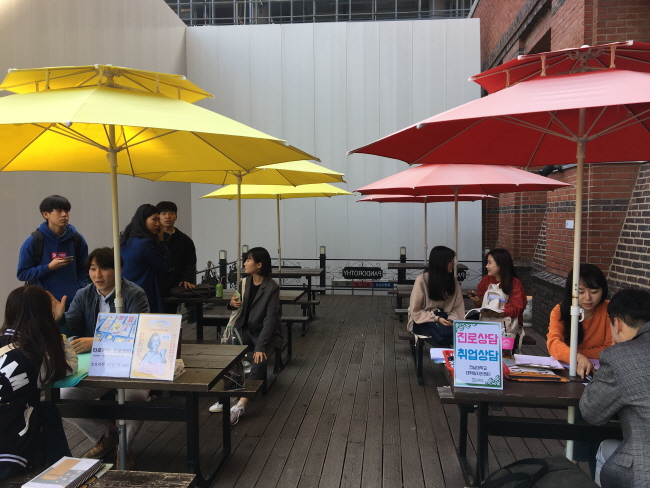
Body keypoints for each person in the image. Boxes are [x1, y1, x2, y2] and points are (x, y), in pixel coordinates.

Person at [54, 247, 150, 470]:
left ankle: (124, 448)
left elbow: (139, 334)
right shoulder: (84, 294)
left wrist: (96, 341)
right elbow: (71, 330)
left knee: (136, 398)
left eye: (104, 268)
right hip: (95, 366)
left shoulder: (134, 294)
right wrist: (60, 320)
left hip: (130, 366)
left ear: (119, 270)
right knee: (63, 398)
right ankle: (108, 434)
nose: (97, 275)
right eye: (92, 269)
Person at [0, 285, 77, 480]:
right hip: (8, 452)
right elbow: (71, 365)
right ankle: (65, 474)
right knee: (46, 411)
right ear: (45, 315)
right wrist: (57, 326)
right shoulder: (37, 355)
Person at [580, 289, 650, 488]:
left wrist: (615, 352)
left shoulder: (620, 357)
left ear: (617, 324)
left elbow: (592, 413)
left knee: (606, 448)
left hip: (643, 473)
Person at [209, 247, 282, 424]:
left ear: (259, 265)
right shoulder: (244, 282)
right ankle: (226, 397)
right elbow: (237, 306)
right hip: (244, 329)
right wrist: (231, 303)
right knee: (227, 353)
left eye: (249, 260)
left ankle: (240, 405)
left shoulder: (272, 287)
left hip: (266, 334)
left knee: (259, 359)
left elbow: (270, 320)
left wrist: (260, 346)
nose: (245, 263)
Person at [17, 195, 89, 307]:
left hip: (73, 304)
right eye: (59, 211)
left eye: (66, 211)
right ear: (46, 214)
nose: (64, 214)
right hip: (43, 304)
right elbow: (22, 274)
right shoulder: (34, 241)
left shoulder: (77, 239)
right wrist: (48, 267)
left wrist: (79, 289)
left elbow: (84, 269)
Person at [546, 263, 611, 379]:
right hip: (567, 369)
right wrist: (577, 357)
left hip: (601, 371)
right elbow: (553, 342)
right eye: (580, 292)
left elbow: (610, 348)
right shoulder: (560, 311)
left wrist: (573, 353)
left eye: (594, 292)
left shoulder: (610, 310)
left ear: (603, 290)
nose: (588, 298)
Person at [407, 246, 465, 346]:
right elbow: (415, 311)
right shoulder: (422, 280)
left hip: (447, 320)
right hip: (424, 321)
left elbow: (458, 308)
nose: (453, 263)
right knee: (442, 342)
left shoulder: (453, 281)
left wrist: (451, 320)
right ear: (441, 262)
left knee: (461, 339)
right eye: (451, 261)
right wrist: (437, 319)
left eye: (453, 260)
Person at [120, 204, 171, 314]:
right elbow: (164, 265)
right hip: (145, 292)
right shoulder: (146, 244)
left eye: (158, 219)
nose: (158, 224)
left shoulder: (124, 240)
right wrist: (161, 241)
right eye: (154, 219)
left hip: (126, 292)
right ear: (143, 220)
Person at [156, 201, 197, 314]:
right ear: (158, 217)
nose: (167, 217)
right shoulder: (152, 239)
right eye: (163, 213)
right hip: (157, 284)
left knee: (171, 315)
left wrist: (186, 278)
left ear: (176, 216)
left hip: (175, 285)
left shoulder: (185, 240)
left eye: (171, 213)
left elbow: (190, 262)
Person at [468, 248, 527, 327]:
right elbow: (481, 305)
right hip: (486, 323)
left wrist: (496, 314)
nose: (486, 266)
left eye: (490, 263)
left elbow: (517, 308)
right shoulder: (486, 279)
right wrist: (478, 300)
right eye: (487, 263)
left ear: (501, 264)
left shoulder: (515, 283)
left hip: (508, 326)